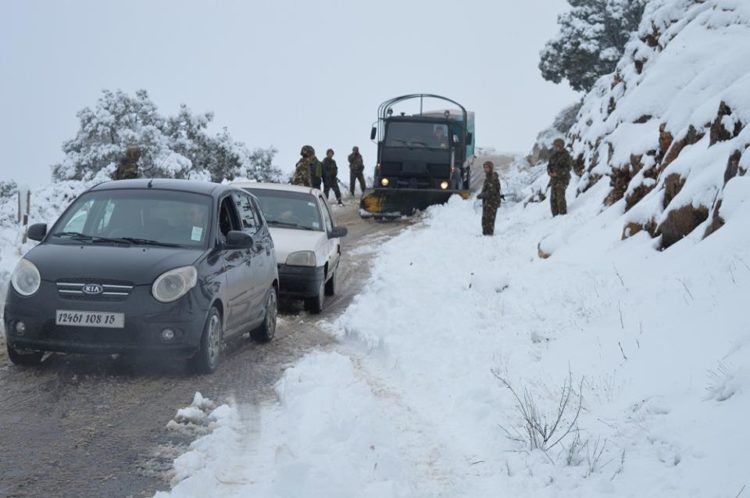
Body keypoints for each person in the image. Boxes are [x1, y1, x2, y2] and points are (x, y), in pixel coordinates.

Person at [547, 138, 572, 216]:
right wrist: (549, 172)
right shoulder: (553, 155)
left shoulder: (566, 155)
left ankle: (562, 214)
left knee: (560, 196)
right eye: (555, 146)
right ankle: (555, 215)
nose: (556, 147)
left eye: (558, 146)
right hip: (554, 179)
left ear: (561, 146)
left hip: (563, 179)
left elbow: (568, 168)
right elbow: (549, 166)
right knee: (552, 198)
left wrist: (557, 173)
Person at [477, 160, 501, 236]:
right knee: (485, 220)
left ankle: (488, 235)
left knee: (489, 220)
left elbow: (491, 192)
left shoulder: (492, 178)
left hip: (491, 203)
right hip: (488, 203)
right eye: (484, 167)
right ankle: (486, 234)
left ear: (490, 168)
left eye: (487, 167)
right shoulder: (488, 177)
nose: (485, 169)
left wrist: (481, 195)